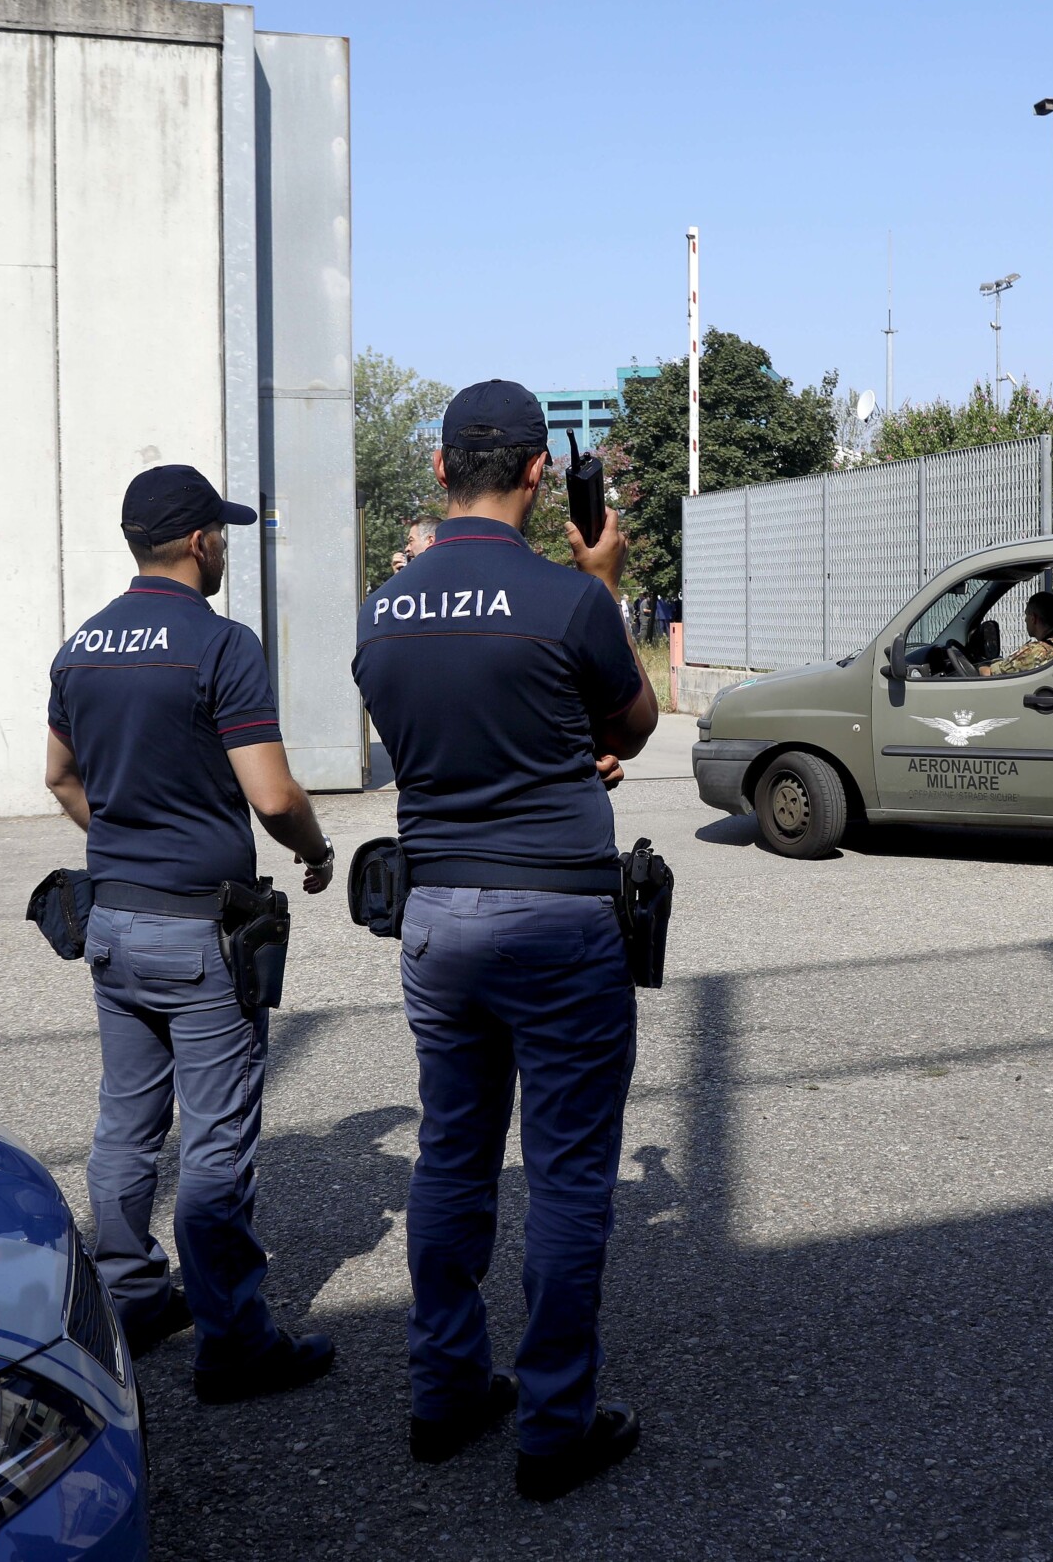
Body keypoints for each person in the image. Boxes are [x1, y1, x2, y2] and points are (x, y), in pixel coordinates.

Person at [354, 380, 661, 1501]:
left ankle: (443, 1392)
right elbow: (632, 724)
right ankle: (552, 1426)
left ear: (439, 471)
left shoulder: (381, 614)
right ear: (543, 474)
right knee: (570, 1172)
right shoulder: (568, 600)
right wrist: (606, 584)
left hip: (437, 914)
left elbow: (431, 740)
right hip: (557, 915)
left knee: (452, 1151)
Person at [44, 464, 340, 1402]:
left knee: (126, 1119)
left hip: (110, 917)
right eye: (223, 534)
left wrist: (127, 839)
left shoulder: (80, 647)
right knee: (216, 1140)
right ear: (202, 541)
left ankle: (131, 1295)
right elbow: (271, 791)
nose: (225, 548)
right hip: (198, 929)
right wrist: (315, 845)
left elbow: (58, 776)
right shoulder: (221, 644)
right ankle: (234, 1342)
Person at [979, 591, 1053, 676]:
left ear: (1033, 619)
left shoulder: (1036, 651)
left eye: (1026, 615)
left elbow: (989, 673)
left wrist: (979, 667)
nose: (1025, 620)